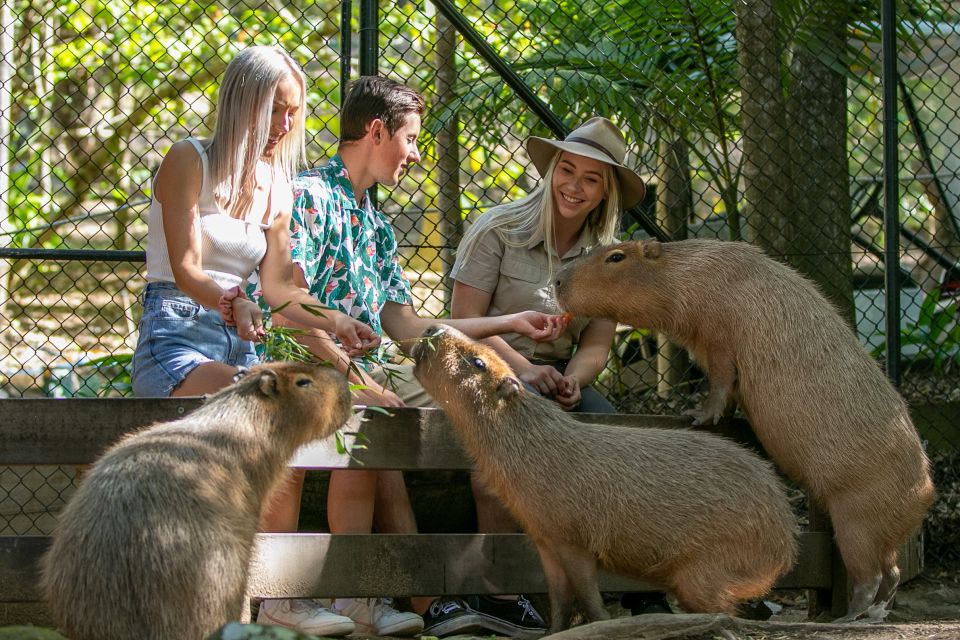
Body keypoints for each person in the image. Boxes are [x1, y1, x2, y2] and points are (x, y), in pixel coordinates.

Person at [252, 75, 565, 638]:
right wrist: (358, 379)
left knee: (490, 401)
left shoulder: (374, 222)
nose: (417, 155)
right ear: (377, 131)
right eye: (412, 139)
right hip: (315, 360)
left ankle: (495, 589)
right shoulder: (307, 198)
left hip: (375, 364)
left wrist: (506, 323)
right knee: (373, 419)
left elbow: (405, 326)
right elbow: (288, 318)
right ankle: (388, 594)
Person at [131, 45, 379, 638]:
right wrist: (230, 300)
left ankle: (277, 600)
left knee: (293, 414)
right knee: (272, 415)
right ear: (244, 104)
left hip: (243, 345)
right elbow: (189, 267)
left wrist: (334, 321)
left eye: (294, 113)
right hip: (177, 332)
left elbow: (277, 290)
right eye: (276, 111)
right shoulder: (188, 159)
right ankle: (244, 601)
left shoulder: (277, 185)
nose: (287, 126)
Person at [447, 116, 673, 620]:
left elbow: (596, 344)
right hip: (488, 366)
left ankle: (640, 589)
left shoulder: (606, 257)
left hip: (556, 379)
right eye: (567, 170)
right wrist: (524, 368)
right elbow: (463, 324)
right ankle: (500, 590)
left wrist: (576, 380)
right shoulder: (498, 228)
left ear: (605, 192)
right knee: (507, 437)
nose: (574, 185)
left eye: (591, 178)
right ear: (551, 172)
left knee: (615, 432)